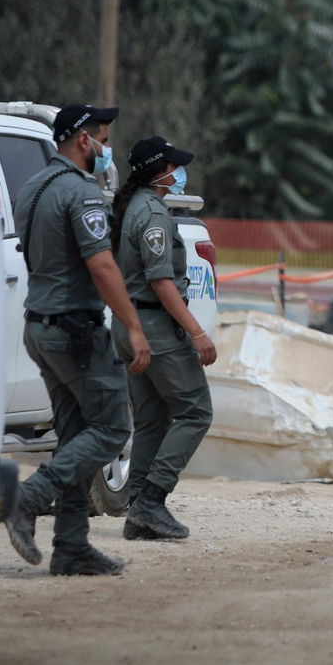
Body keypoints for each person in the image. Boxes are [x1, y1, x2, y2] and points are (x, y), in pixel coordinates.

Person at [4, 104, 150, 576]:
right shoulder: (80, 192)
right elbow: (102, 265)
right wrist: (132, 325)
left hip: (40, 327)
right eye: (102, 139)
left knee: (73, 437)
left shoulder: (32, 187)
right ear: (82, 141)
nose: (107, 149)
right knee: (111, 429)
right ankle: (27, 498)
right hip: (75, 332)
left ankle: (71, 547)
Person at [110, 136, 217, 542]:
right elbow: (159, 280)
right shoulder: (152, 214)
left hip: (130, 325)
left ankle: (139, 510)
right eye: (173, 165)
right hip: (154, 328)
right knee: (195, 411)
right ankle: (152, 500)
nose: (179, 172)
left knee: (153, 418)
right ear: (159, 172)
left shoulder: (131, 208)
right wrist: (197, 331)